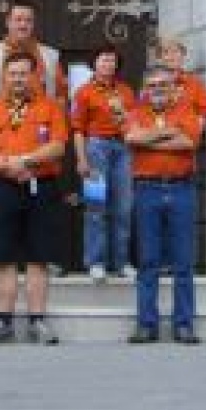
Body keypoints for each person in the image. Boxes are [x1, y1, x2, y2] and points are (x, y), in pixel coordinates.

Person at [0, 50, 69, 344]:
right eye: (13, 73)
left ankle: (37, 322)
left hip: (42, 187)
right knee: (3, 259)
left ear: (35, 76)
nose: (18, 79)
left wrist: (25, 160)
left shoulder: (51, 108)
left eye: (23, 73)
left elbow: (58, 146)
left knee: (39, 258)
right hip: (3, 188)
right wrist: (7, 165)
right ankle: (3, 323)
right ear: (4, 76)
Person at [0, 0, 68, 276]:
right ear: (8, 22)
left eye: (28, 20)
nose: (23, 24)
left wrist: (57, 129)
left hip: (39, 143)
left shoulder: (49, 56)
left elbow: (60, 96)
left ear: (34, 24)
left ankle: (46, 256)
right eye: (18, 19)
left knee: (44, 201)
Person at [124, 61, 204, 343]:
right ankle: (147, 324)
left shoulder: (186, 110)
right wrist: (169, 132)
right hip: (147, 189)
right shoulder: (136, 112)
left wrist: (150, 140)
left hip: (181, 188)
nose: (157, 89)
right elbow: (132, 138)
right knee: (148, 260)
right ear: (145, 89)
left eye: (163, 85)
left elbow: (189, 143)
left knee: (183, 260)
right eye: (152, 85)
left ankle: (184, 324)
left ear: (173, 88)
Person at [71, 43, 136, 281]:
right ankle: (96, 261)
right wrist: (81, 159)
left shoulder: (126, 91)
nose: (108, 64)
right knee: (96, 206)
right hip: (96, 148)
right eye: (103, 59)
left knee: (124, 207)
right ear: (95, 63)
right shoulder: (84, 92)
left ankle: (121, 262)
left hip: (123, 149)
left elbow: (135, 123)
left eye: (112, 60)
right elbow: (77, 129)